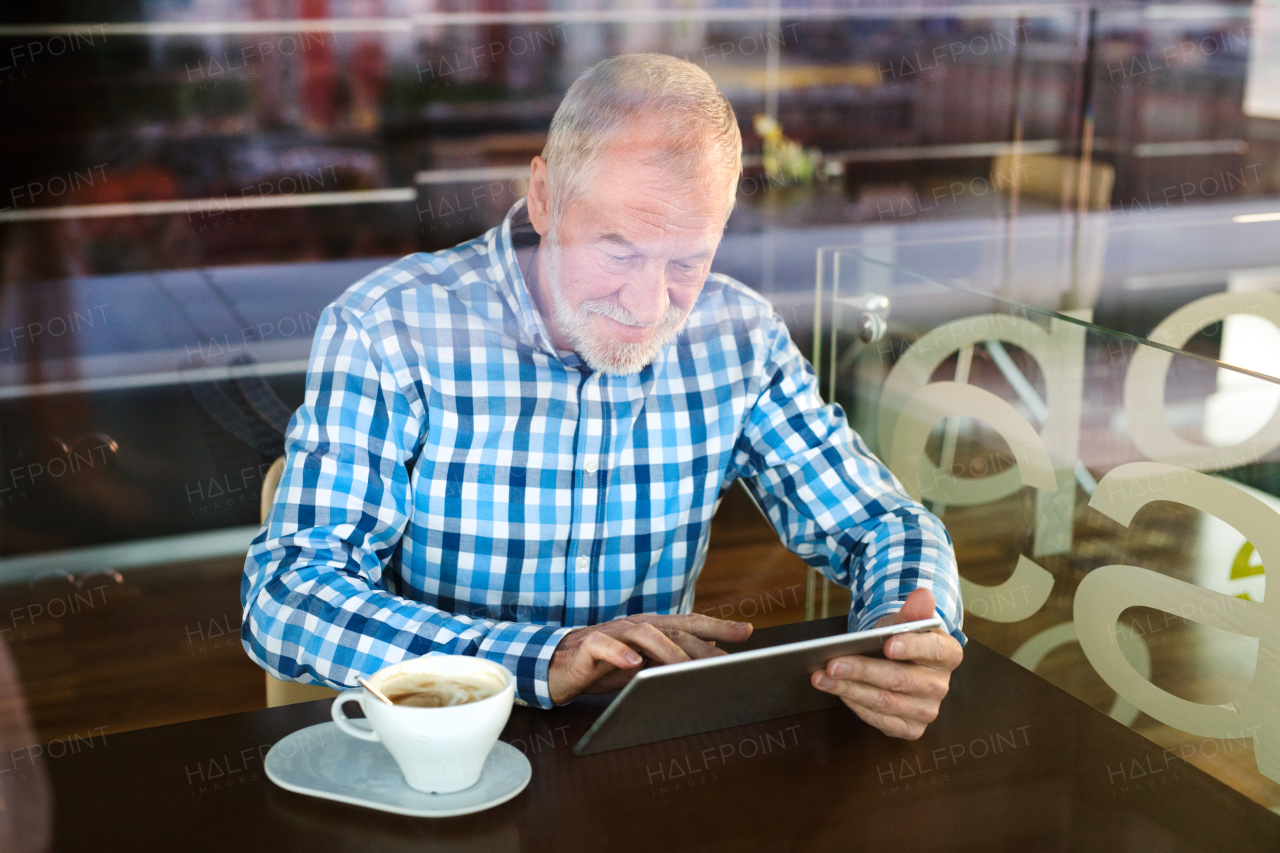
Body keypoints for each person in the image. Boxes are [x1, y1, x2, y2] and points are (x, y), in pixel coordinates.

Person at [242, 53, 964, 740]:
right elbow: (287, 595)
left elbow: (882, 521)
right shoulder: (390, 328)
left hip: (645, 750)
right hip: (445, 751)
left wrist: (907, 634)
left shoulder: (739, 335)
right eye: (617, 251)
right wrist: (539, 657)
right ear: (545, 196)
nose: (649, 306)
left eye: (687, 260)